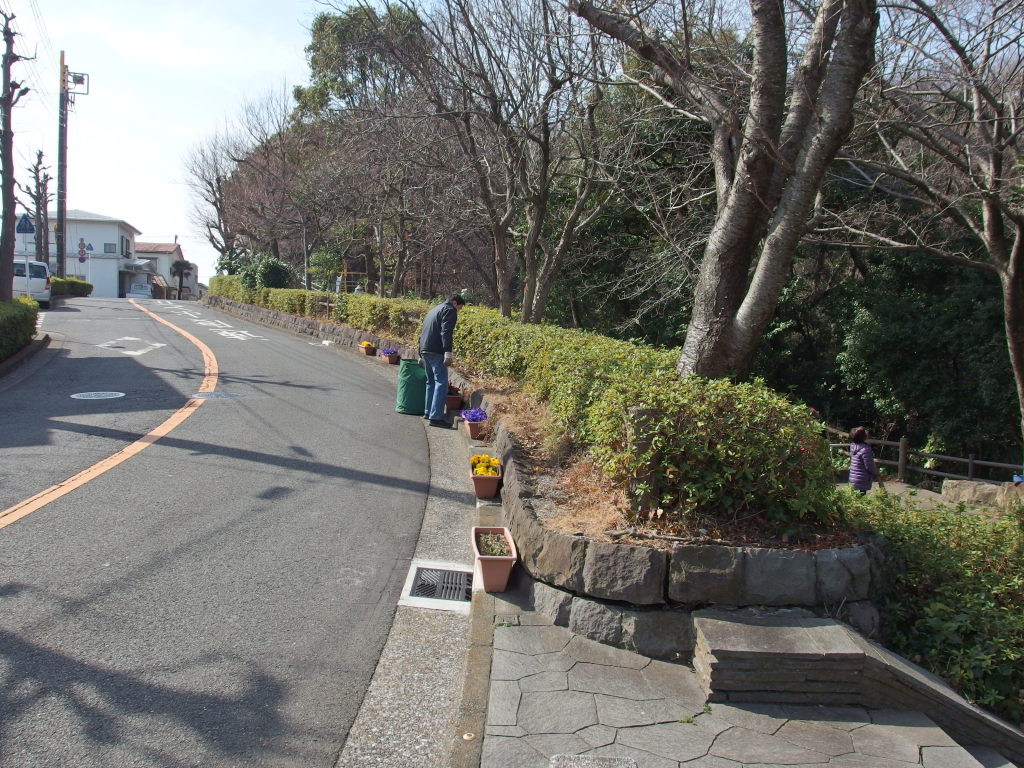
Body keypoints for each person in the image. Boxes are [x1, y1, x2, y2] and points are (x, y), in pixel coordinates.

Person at [418, 295, 466, 427]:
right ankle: (436, 417)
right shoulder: (449, 310)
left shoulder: (434, 310)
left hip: (425, 349)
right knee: (441, 383)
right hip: (436, 351)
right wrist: (447, 351)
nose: (458, 310)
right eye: (459, 307)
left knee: (431, 382)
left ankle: (428, 412)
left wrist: (420, 351)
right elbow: (446, 331)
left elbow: (422, 332)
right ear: (454, 303)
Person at [848, 426, 882, 494]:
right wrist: (876, 473)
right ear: (864, 437)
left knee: (854, 498)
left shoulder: (853, 446)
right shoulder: (865, 449)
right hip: (862, 480)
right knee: (861, 498)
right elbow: (869, 466)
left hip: (853, 479)